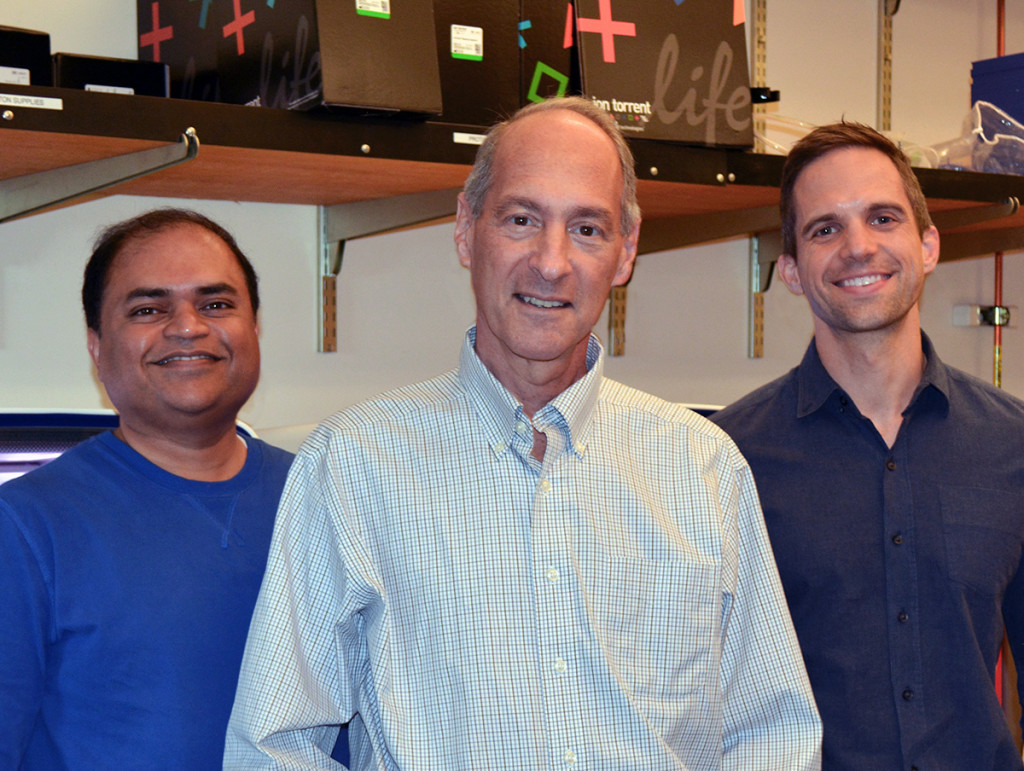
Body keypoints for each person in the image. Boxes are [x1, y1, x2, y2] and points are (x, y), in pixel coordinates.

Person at [224, 96, 821, 769]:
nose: (551, 261)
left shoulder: (705, 467)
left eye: (588, 229)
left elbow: (774, 737)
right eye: (521, 218)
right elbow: (274, 746)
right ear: (465, 228)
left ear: (625, 252)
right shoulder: (354, 464)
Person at [711, 122, 1024, 769]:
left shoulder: (1012, 443)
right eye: (826, 228)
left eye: (883, 218)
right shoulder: (726, 458)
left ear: (928, 243)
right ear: (792, 269)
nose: (859, 246)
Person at [0, 209, 302, 770]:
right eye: (148, 309)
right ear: (96, 344)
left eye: (216, 304)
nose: (188, 326)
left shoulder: (326, 497)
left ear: (253, 327)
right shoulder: (22, 528)